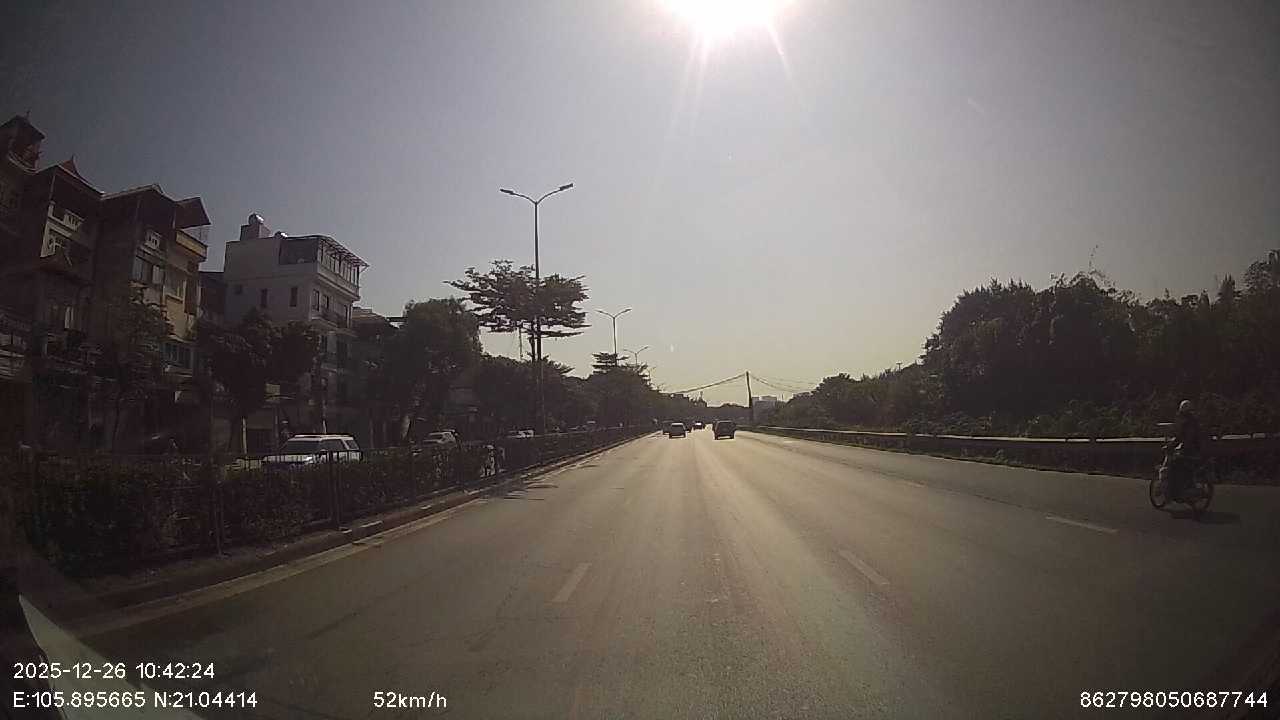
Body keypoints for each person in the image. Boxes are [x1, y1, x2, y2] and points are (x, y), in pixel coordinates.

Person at [1166, 400, 1203, 501]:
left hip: (1192, 451)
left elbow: (1187, 439)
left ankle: (1179, 492)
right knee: (1179, 466)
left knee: (1175, 465)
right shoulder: (1189, 422)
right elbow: (1180, 437)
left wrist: (1178, 448)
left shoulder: (1189, 423)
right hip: (1193, 450)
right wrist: (1172, 446)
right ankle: (1181, 490)